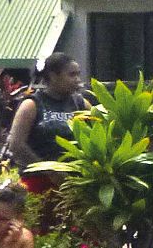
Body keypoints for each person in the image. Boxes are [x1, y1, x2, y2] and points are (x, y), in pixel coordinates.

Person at [5, 53, 91, 191]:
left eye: (78, 75)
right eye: (71, 75)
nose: (77, 80)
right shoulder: (31, 105)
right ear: (53, 76)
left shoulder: (81, 104)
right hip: (38, 181)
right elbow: (16, 145)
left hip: (75, 182)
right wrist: (49, 171)